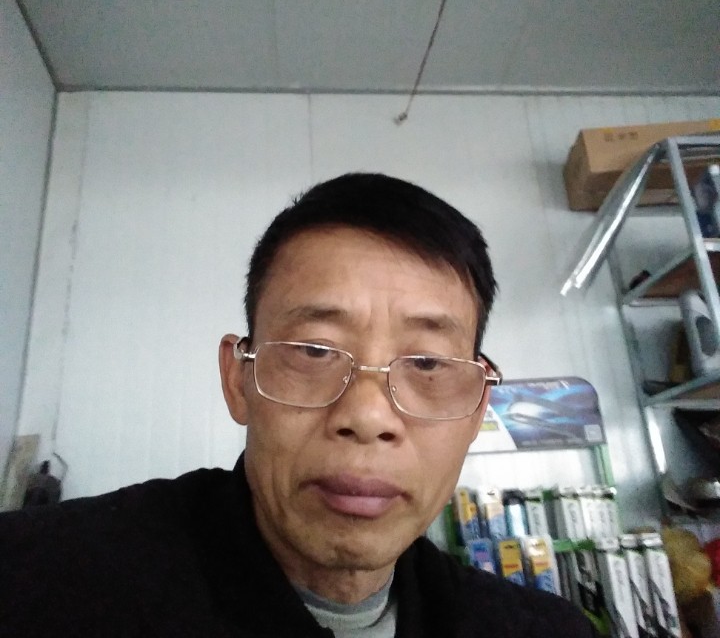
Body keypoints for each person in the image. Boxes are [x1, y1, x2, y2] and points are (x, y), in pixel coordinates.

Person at [0, 173, 596, 637]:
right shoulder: (35, 584)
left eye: (427, 363)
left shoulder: (545, 632)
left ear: (477, 409)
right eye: (315, 351)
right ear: (238, 380)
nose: (368, 417)